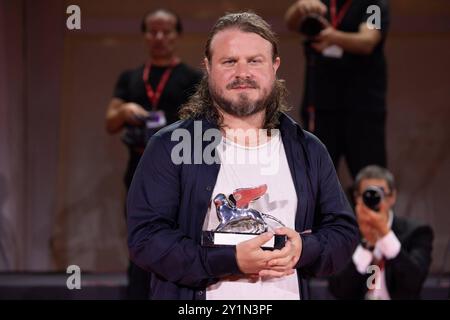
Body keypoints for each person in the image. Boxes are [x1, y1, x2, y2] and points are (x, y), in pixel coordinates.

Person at [127, 12, 358, 300]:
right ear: (208, 68)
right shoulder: (171, 146)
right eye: (229, 62)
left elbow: (343, 232)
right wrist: (231, 261)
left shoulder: (307, 148)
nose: (242, 73)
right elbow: (145, 239)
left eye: (254, 60)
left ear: (274, 67)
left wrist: (304, 248)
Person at [105, 8, 202, 299]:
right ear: (145, 36)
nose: (159, 37)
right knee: (140, 238)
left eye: (166, 31)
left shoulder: (192, 77)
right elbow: (109, 121)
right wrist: (123, 110)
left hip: (182, 170)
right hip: (139, 167)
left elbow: (208, 125)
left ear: (177, 35)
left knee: (181, 236)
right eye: (153, 31)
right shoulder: (131, 78)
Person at [285, 0, 389, 179]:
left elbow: (368, 40)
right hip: (322, 104)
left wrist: (333, 37)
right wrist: (300, 8)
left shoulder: (374, 4)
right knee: (316, 177)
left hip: (363, 107)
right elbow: (291, 22)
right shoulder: (322, 2)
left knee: (371, 178)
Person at [328, 165, 434, 299]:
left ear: (392, 197)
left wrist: (385, 234)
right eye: (368, 194)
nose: (374, 200)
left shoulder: (418, 232)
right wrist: (366, 246)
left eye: (379, 193)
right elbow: (337, 290)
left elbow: (414, 282)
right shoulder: (345, 234)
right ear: (357, 198)